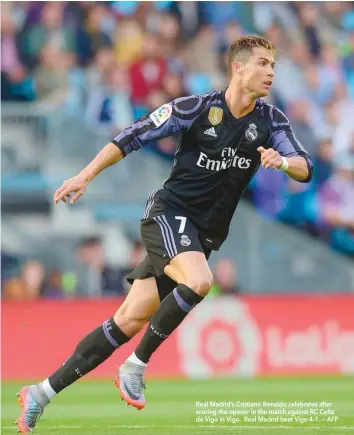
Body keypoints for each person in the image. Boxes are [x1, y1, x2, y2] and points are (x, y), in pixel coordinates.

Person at [16, 35, 313, 433]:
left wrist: (284, 162)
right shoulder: (196, 108)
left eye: (273, 65)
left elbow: (305, 167)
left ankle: (42, 392)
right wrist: (84, 175)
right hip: (168, 215)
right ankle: (135, 366)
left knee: (128, 319)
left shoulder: (271, 121)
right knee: (200, 281)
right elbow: (133, 135)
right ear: (238, 68)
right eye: (262, 63)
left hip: (203, 235)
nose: (271, 72)